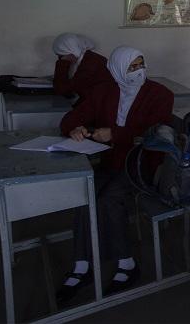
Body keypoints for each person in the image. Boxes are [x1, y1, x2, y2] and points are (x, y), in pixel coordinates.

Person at [56, 46, 174, 304]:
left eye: (141, 64)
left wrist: (116, 134)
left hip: (142, 164)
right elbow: (70, 119)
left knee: (109, 198)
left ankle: (127, 263)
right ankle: (82, 266)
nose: (139, 71)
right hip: (110, 162)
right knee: (83, 194)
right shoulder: (104, 91)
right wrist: (75, 129)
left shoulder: (160, 94)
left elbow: (154, 133)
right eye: (132, 67)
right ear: (116, 69)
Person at [52, 33, 112, 101]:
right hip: (98, 100)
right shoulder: (88, 58)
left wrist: (62, 64)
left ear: (71, 51)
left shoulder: (90, 63)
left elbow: (63, 89)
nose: (61, 59)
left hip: (102, 102)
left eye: (61, 56)